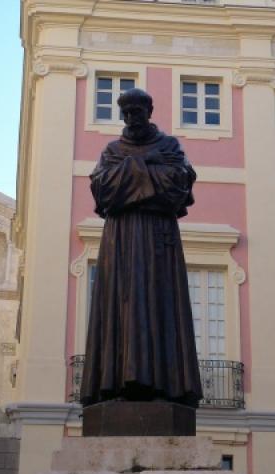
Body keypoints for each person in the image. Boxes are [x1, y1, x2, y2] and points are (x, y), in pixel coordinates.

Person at [80, 88, 203, 408]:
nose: (132, 116)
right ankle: (117, 379)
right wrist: (146, 166)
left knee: (160, 301)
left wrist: (131, 175)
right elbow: (102, 191)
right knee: (122, 301)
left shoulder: (170, 146)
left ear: (149, 111)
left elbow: (178, 185)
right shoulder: (111, 150)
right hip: (120, 239)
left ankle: (165, 383)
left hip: (158, 237)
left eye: (138, 110)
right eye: (127, 111)